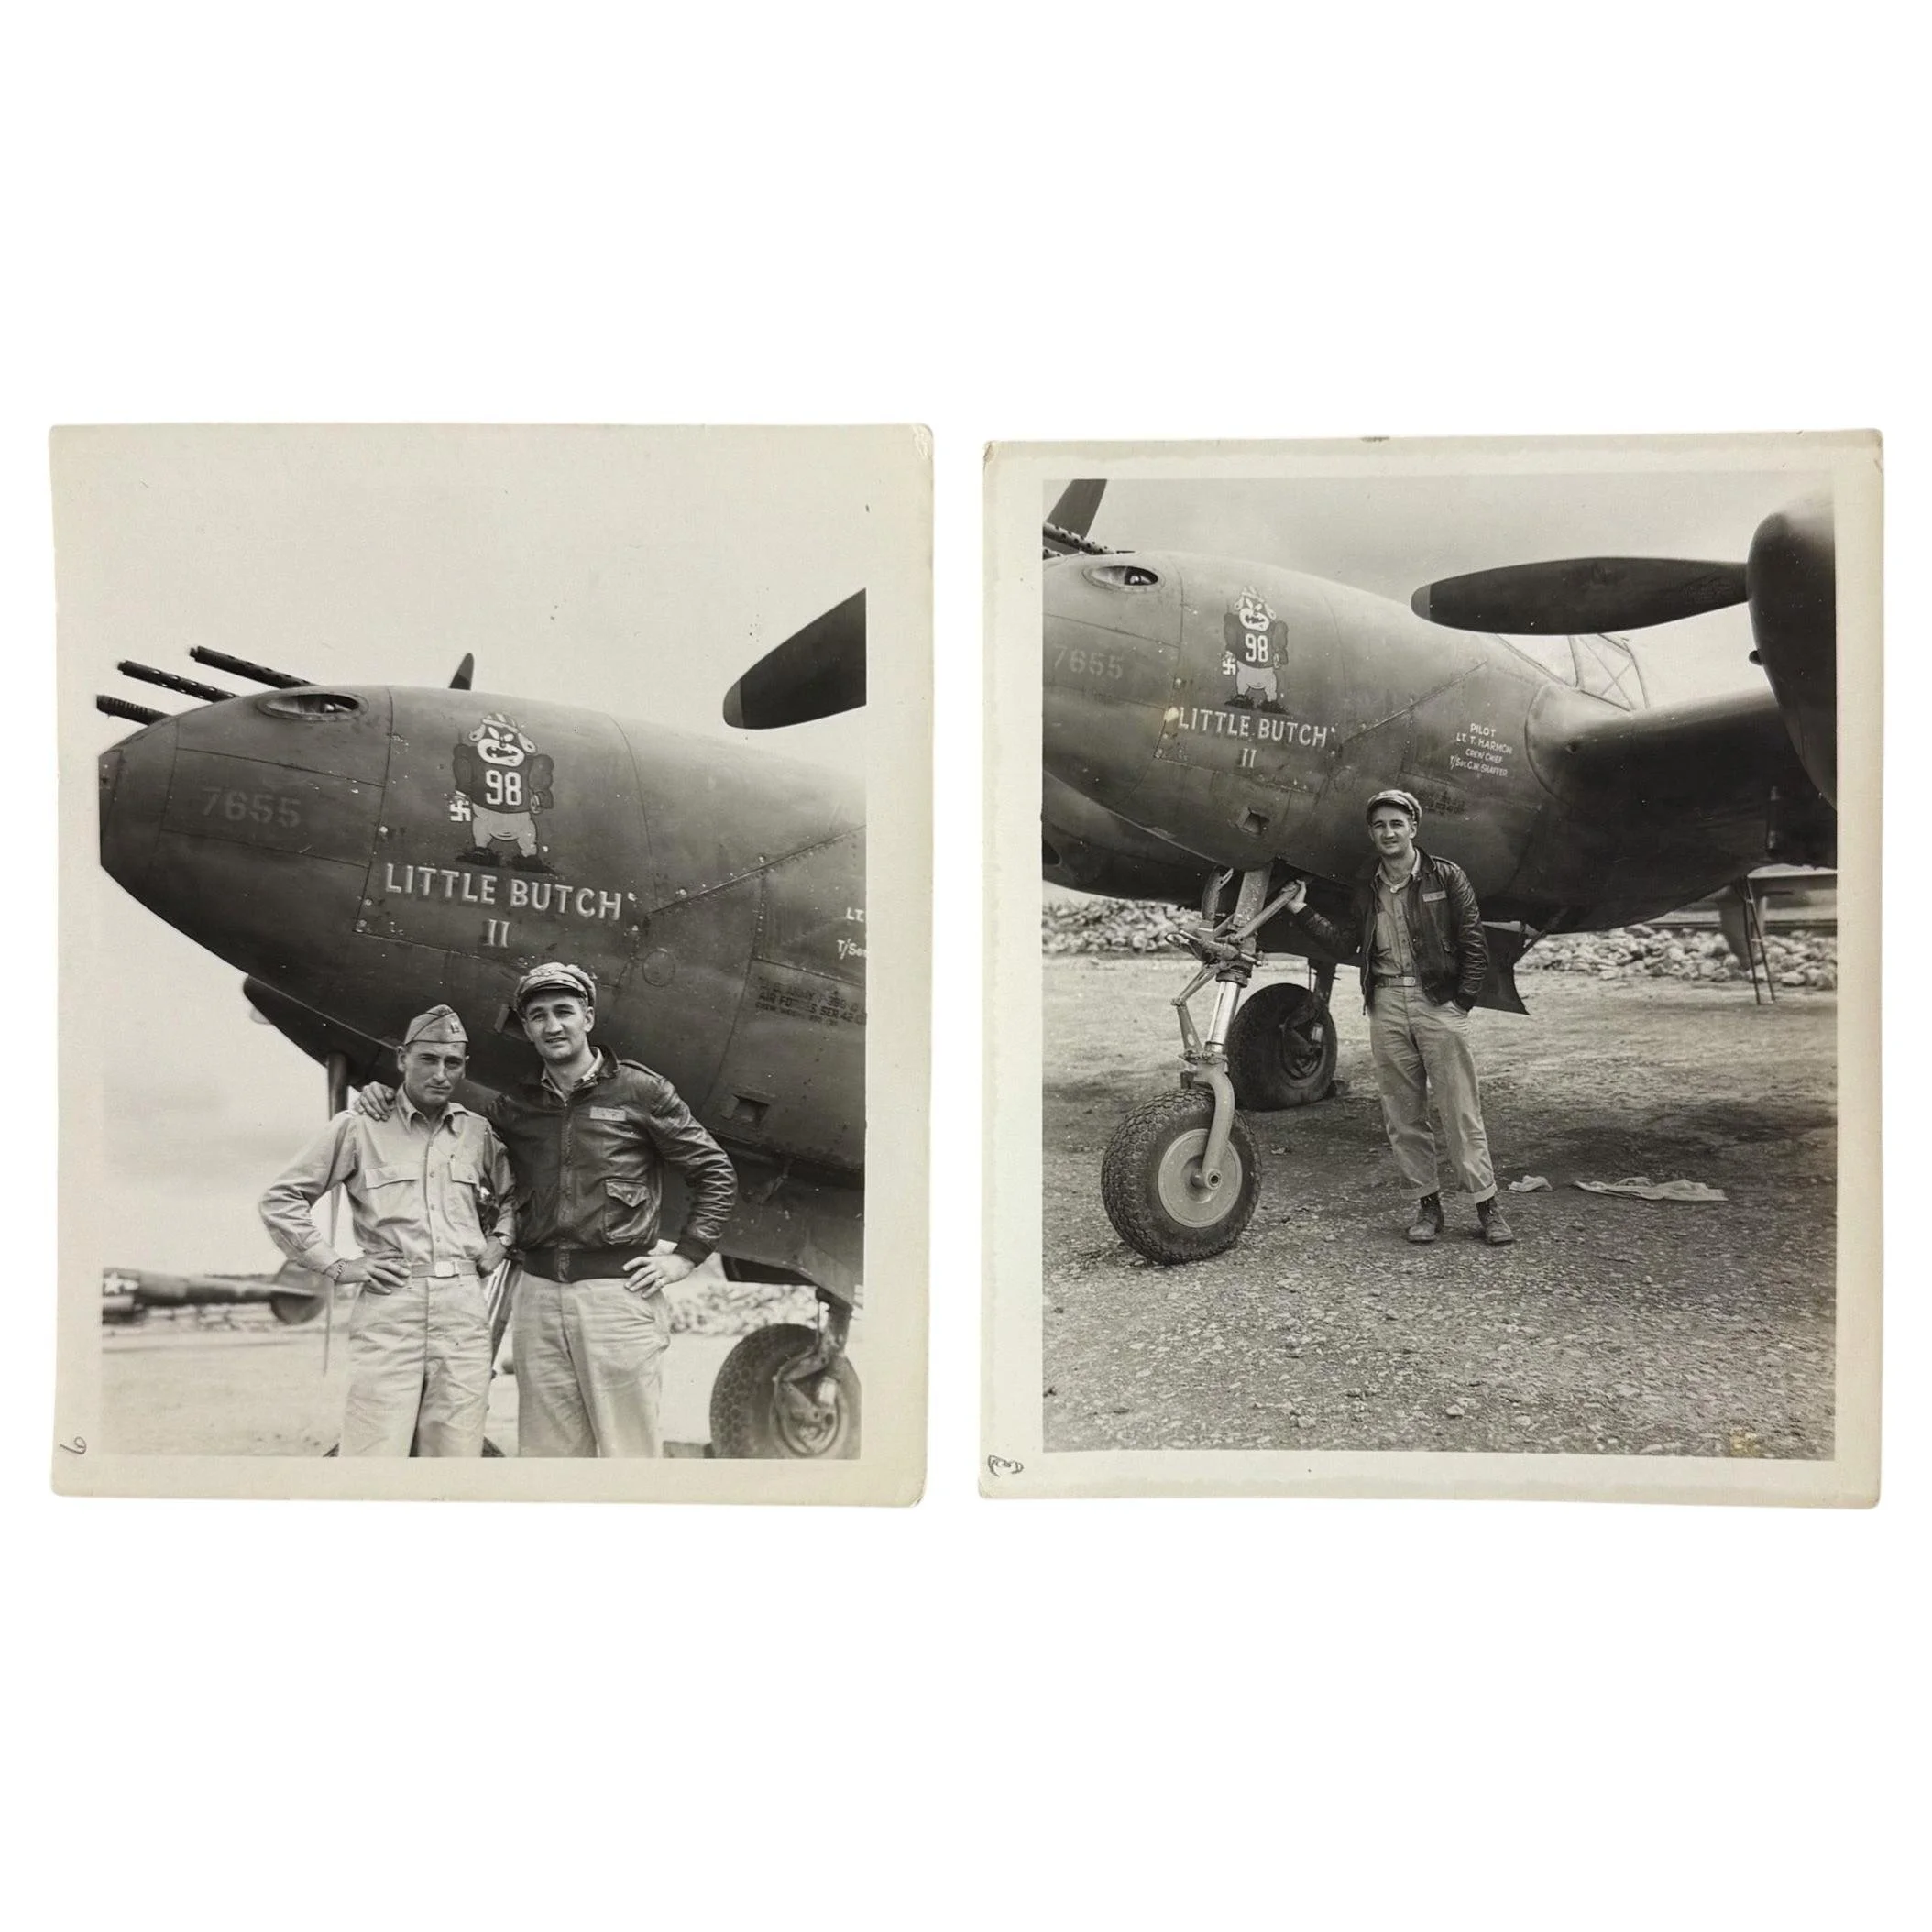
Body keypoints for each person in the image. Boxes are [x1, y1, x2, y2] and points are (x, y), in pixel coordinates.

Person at [358, 962, 738, 1456]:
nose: (552, 1025)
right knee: (547, 1462)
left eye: (564, 1011)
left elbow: (714, 1169)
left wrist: (685, 1256)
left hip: (616, 1298)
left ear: (588, 1018)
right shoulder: (515, 1106)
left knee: (630, 1456)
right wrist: (389, 1097)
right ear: (528, 1028)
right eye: (538, 1016)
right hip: (537, 1297)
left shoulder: (641, 1091)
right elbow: (451, 1133)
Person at [259, 1004, 514, 1454]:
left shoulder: (477, 1133)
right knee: (373, 1454)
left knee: (456, 1456)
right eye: (427, 1060)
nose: (440, 1074)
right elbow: (282, 1200)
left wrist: (501, 1241)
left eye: (452, 1063)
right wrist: (338, 1266)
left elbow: (519, 1197)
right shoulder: (358, 1128)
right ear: (402, 1058)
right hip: (393, 1305)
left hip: (463, 1309)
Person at [1282, 789, 1515, 1247]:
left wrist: (1460, 1003)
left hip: (1437, 1004)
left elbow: (1473, 942)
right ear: (1372, 834)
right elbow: (1346, 942)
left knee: (1459, 1108)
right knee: (1402, 1113)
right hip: (1386, 1003)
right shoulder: (1366, 886)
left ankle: (1487, 1207)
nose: (1388, 833)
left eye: (1396, 824)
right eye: (1379, 826)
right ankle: (1427, 1207)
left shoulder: (1446, 877)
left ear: (1413, 828)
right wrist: (1299, 910)